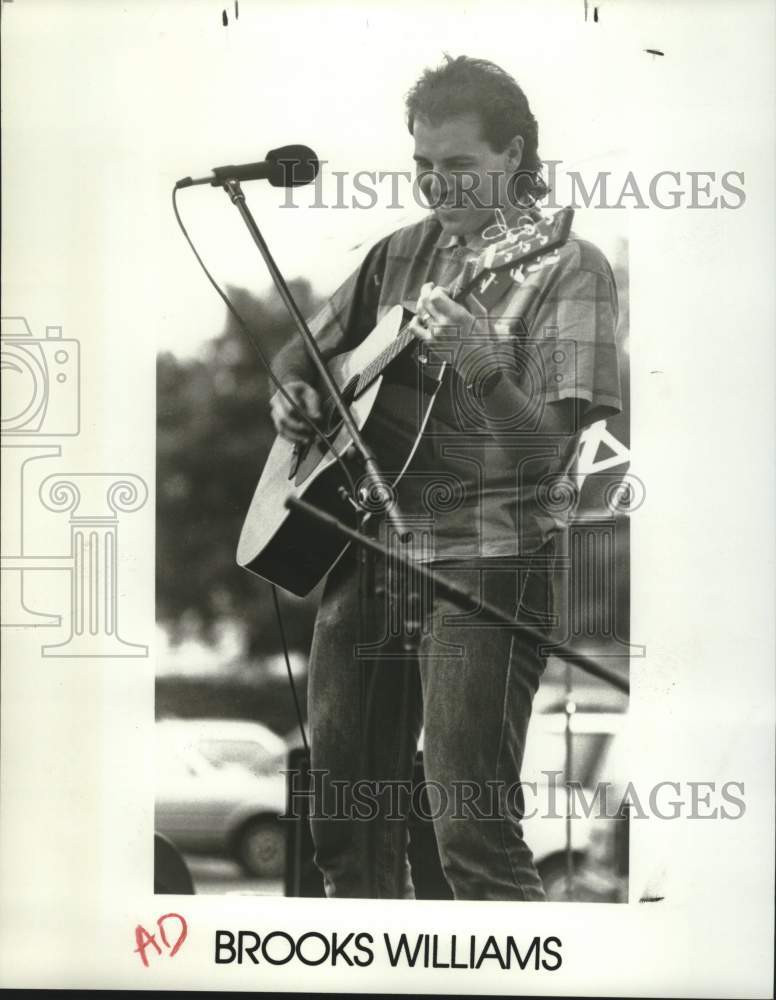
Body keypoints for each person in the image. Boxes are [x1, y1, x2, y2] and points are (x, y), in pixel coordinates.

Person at [270, 55, 622, 900]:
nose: (437, 188)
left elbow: (548, 453)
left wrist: (482, 366)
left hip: (489, 560)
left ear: (515, 155)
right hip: (367, 552)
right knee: (344, 833)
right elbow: (299, 350)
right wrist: (293, 391)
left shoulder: (569, 267)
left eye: (459, 167)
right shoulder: (400, 253)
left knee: (471, 834)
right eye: (422, 166)